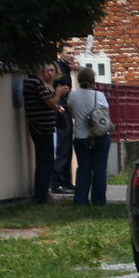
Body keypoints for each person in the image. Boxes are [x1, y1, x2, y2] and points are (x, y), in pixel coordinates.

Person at [23, 64, 68, 204]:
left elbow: (48, 104)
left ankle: (42, 194)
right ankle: (41, 196)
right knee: (46, 163)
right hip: (41, 128)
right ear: (42, 70)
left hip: (44, 127)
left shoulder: (36, 83)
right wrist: (58, 93)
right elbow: (50, 102)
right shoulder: (35, 83)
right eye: (47, 70)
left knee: (45, 162)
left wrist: (55, 106)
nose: (49, 73)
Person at [67, 67, 111, 206]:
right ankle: (98, 200)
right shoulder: (100, 96)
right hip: (100, 137)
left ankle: (80, 200)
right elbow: (106, 117)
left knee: (83, 168)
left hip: (81, 137)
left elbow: (71, 113)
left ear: (79, 80)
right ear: (93, 81)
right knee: (99, 169)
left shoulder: (73, 95)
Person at [52, 44, 78, 193]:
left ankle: (67, 182)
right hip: (60, 112)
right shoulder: (57, 69)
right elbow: (52, 89)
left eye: (73, 53)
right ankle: (57, 183)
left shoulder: (66, 69)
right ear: (60, 54)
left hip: (66, 111)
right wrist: (57, 105)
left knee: (68, 147)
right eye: (68, 53)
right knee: (63, 147)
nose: (71, 55)